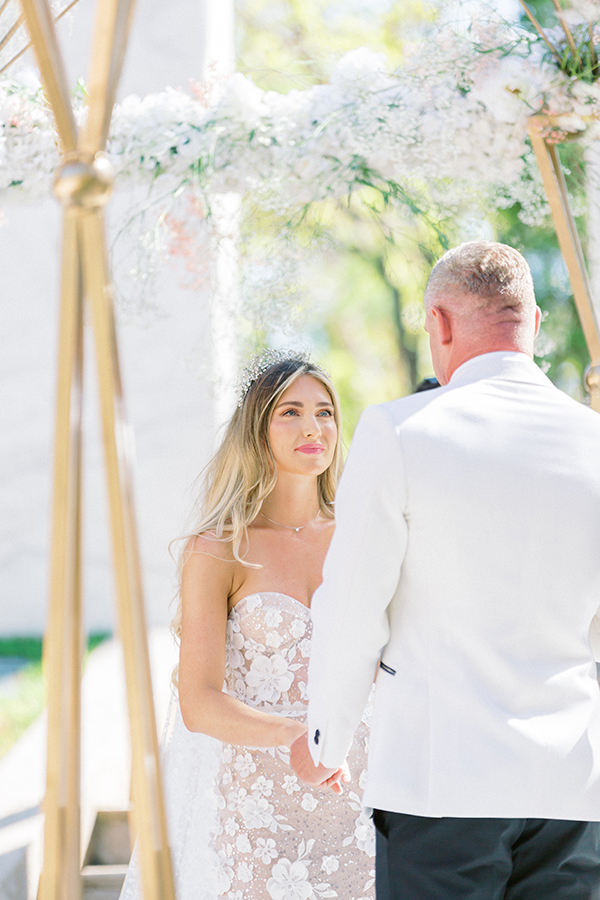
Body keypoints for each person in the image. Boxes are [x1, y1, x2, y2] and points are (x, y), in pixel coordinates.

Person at [291, 241, 600, 899]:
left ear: (439, 322)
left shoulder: (401, 431)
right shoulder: (594, 442)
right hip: (573, 785)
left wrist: (326, 740)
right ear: (534, 323)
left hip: (443, 782)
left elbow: (352, 603)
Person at [120, 351, 375, 900]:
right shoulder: (218, 550)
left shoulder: (363, 538)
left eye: (326, 412)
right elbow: (199, 700)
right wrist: (296, 738)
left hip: (362, 794)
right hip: (259, 802)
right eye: (291, 412)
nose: (313, 427)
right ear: (257, 429)